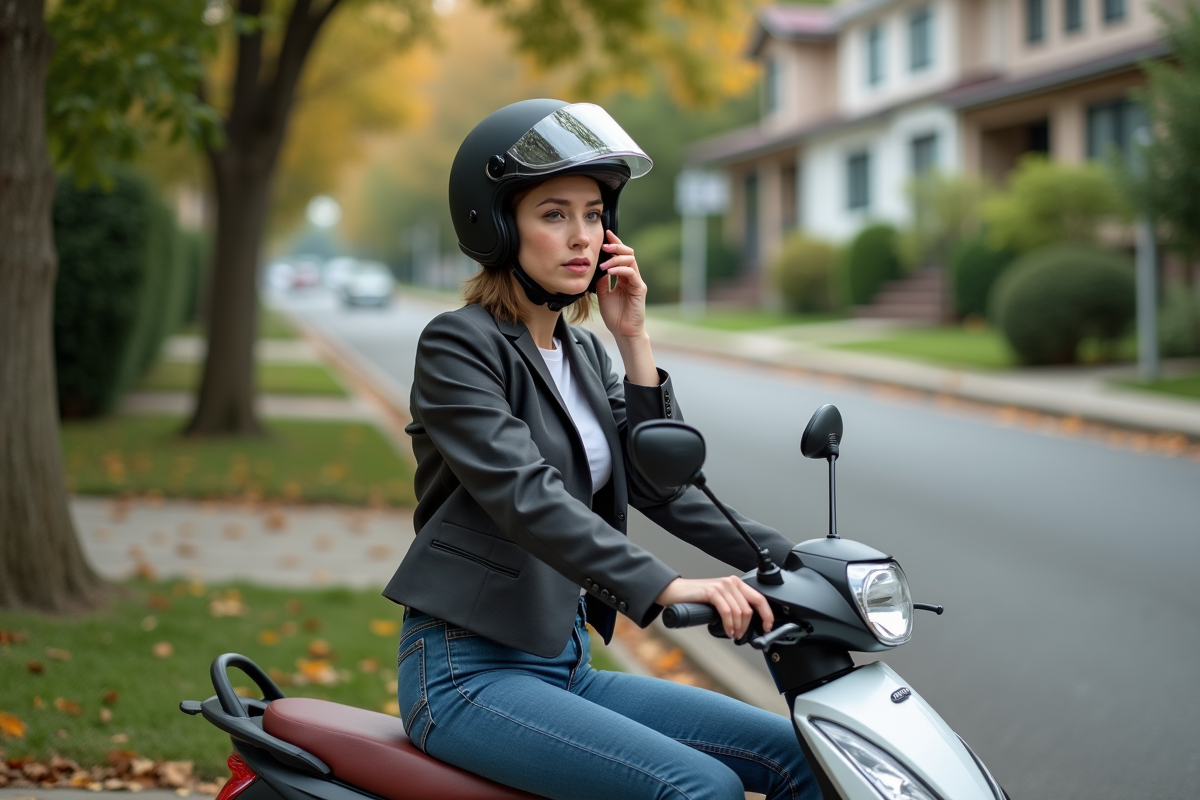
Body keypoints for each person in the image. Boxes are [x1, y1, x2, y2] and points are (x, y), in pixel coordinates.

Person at [384, 99, 819, 800]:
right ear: (498, 226)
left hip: (566, 668)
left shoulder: (584, 353)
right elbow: (527, 497)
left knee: (803, 757)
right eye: (554, 214)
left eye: (593, 215)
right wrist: (667, 586)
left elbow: (662, 485)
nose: (582, 236)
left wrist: (799, 566)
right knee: (699, 788)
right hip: (467, 674)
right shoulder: (458, 346)